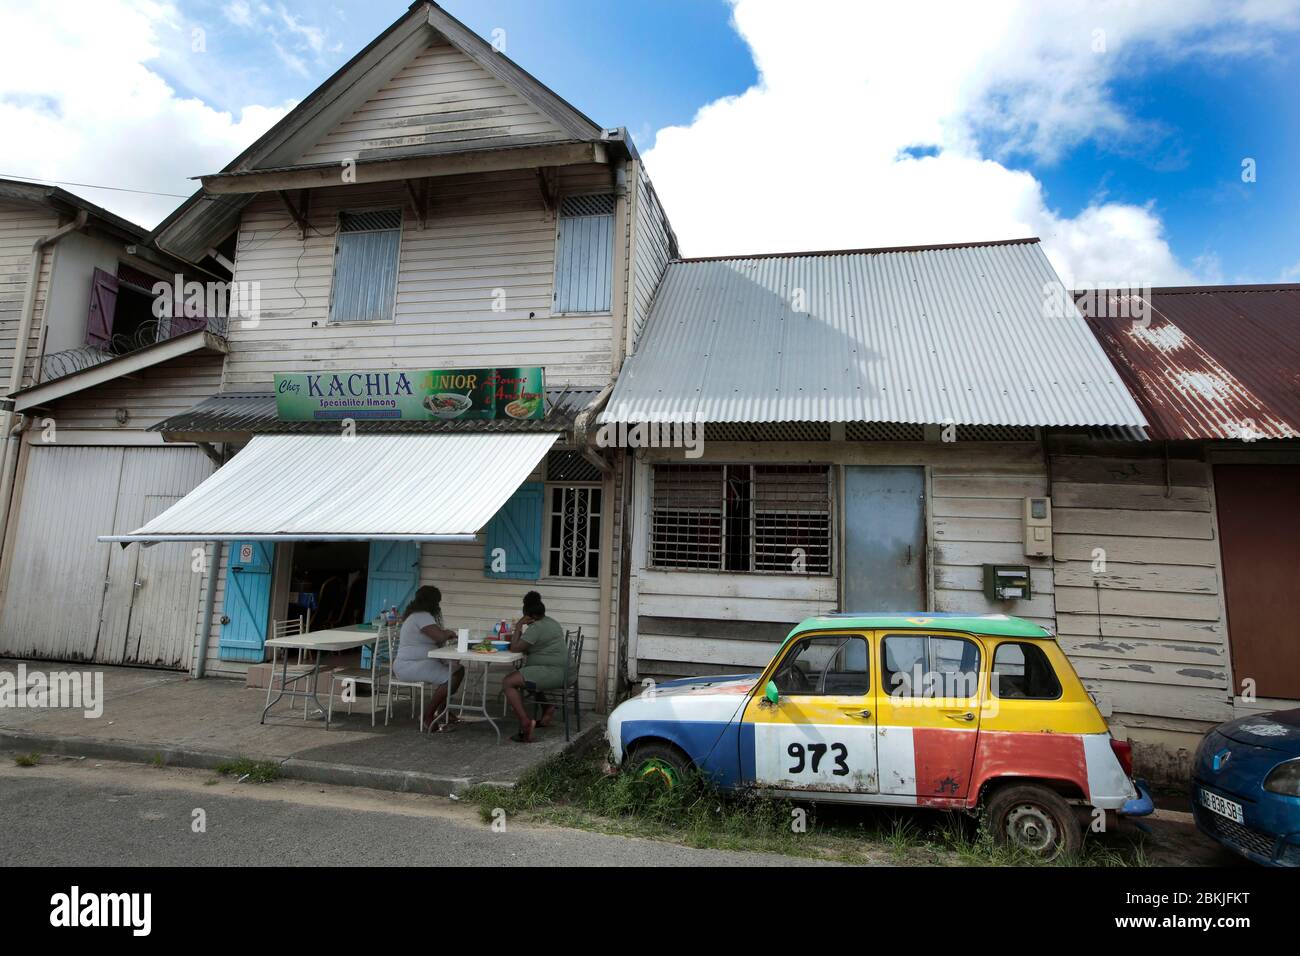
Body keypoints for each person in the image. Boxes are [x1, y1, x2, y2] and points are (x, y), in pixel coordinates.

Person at [391, 585, 463, 729]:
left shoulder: (418, 615)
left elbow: (436, 638)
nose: (438, 606)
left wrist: (445, 634)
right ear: (431, 602)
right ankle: (427, 716)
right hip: (410, 665)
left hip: (419, 662)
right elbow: (439, 636)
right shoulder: (421, 615)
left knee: (458, 670)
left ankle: (443, 710)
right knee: (452, 676)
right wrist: (448, 632)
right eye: (437, 602)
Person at [501, 590, 567, 742]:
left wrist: (518, 626)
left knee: (508, 682)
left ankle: (525, 723)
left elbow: (515, 648)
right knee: (524, 674)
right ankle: (547, 707)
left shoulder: (536, 628)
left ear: (531, 616)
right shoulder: (551, 621)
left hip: (553, 672)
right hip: (563, 669)